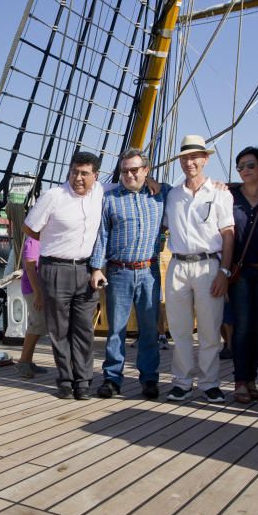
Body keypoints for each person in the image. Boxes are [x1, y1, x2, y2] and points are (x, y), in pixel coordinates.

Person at [89, 149, 169, 400]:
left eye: (135, 170)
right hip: (119, 271)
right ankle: (112, 379)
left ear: (146, 171)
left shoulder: (161, 195)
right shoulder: (110, 199)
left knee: (149, 330)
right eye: (124, 170)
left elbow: (188, 190)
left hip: (149, 271)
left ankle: (149, 379)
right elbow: (101, 235)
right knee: (116, 330)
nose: (129, 174)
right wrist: (96, 268)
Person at [23, 151, 104, 400]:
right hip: (55, 268)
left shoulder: (101, 191)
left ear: (95, 176)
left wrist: (155, 184)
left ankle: (84, 381)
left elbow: (131, 182)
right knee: (59, 330)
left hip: (86, 269)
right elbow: (29, 227)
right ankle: (66, 381)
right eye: (74, 172)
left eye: (84, 173)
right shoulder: (53, 196)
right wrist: (53, 242)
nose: (78, 178)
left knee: (83, 330)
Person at [163, 135, 235, 402]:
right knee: (180, 329)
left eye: (195, 157)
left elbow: (228, 234)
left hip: (208, 265)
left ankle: (209, 382)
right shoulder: (172, 195)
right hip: (178, 266)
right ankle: (181, 382)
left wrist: (224, 272)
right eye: (185, 158)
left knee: (209, 328)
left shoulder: (220, 193)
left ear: (205, 159)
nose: (189, 162)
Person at [228, 146, 258, 404]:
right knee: (242, 327)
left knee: (257, 329)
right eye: (240, 167)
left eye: (250, 166)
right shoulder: (229, 194)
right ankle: (239, 379)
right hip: (242, 271)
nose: (244, 171)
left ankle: (251, 379)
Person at [15, 235, 49, 378]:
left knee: (37, 324)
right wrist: (38, 293)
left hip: (40, 288)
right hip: (33, 289)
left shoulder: (43, 237)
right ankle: (23, 362)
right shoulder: (33, 240)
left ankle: (28, 361)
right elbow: (30, 267)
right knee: (37, 324)